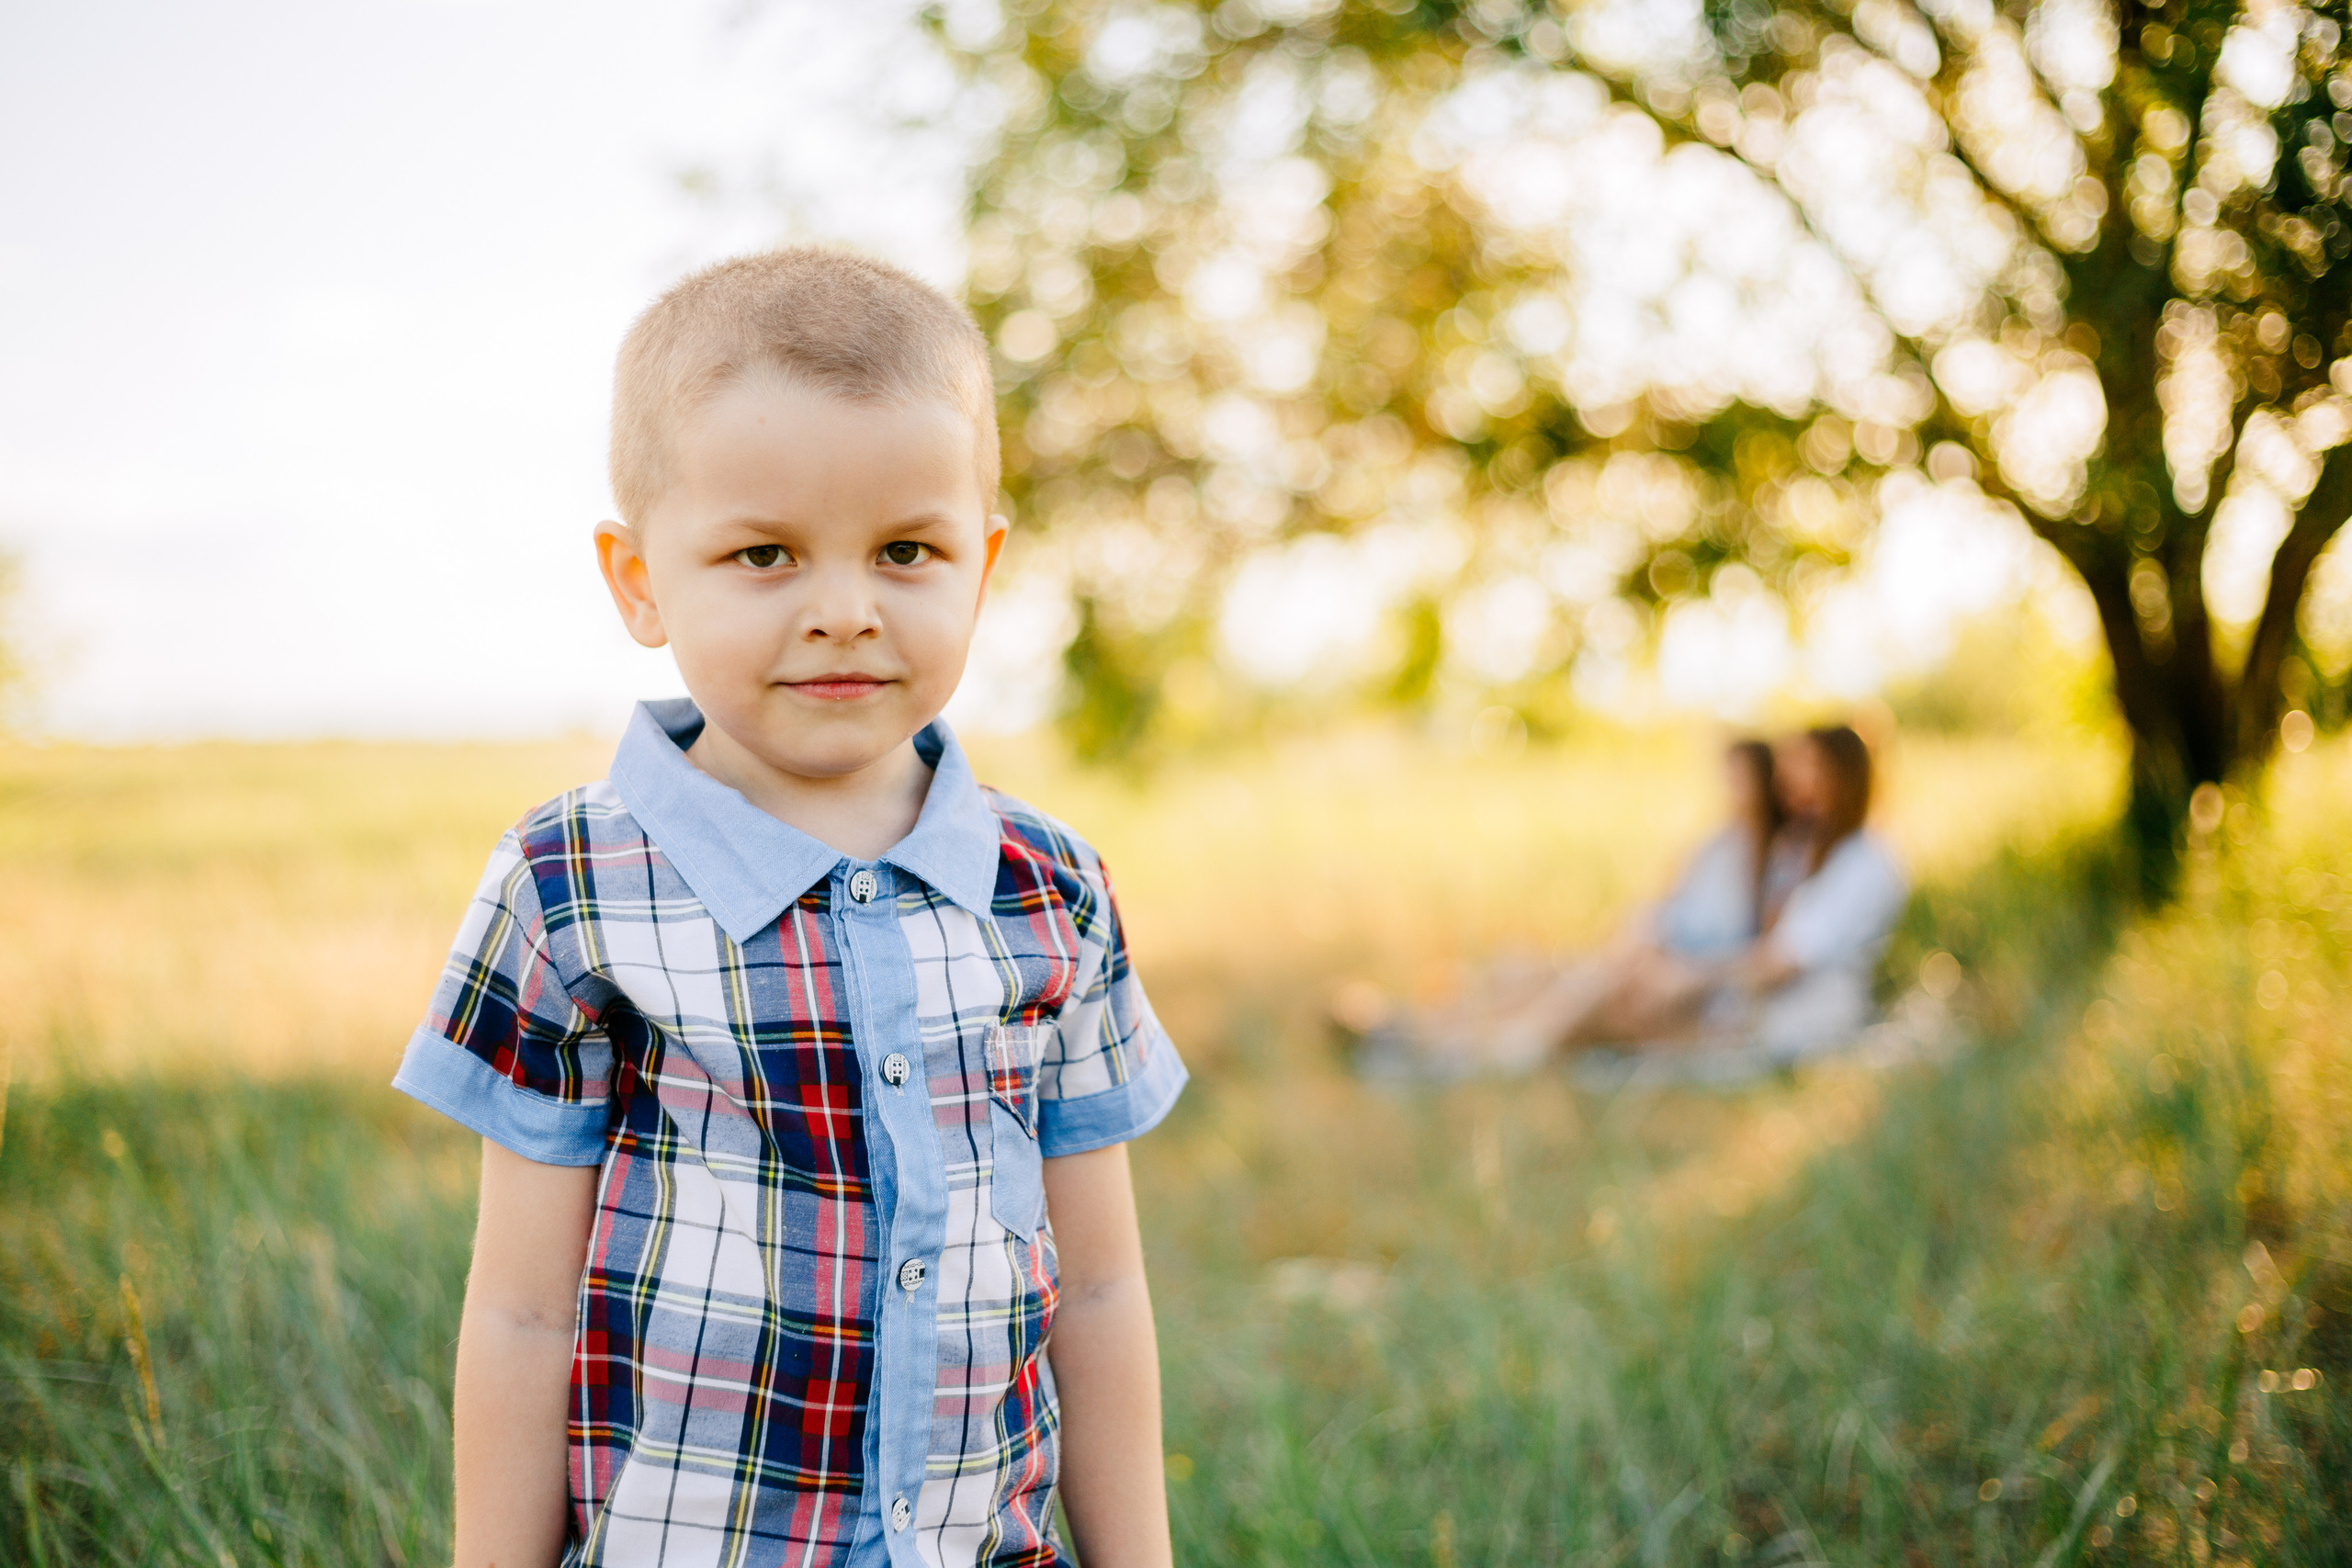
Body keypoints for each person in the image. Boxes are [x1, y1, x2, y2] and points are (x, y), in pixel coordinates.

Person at [391, 249, 1186, 1568]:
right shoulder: (569, 882)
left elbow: (1100, 1287)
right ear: (640, 580)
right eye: (764, 553)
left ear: (982, 567)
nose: (844, 612)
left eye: (906, 551)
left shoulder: (1051, 887)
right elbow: (523, 1312)